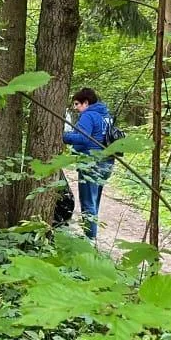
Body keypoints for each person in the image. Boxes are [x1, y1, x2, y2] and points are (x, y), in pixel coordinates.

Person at [62, 88, 115, 241]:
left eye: (77, 104)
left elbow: (84, 138)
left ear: (86, 102)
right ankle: (92, 234)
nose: (76, 108)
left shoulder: (89, 115)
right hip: (107, 162)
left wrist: (64, 136)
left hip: (91, 163)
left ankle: (89, 238)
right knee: (94, 200)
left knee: (87, 202)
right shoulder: (106, 116)